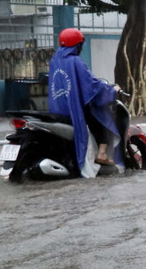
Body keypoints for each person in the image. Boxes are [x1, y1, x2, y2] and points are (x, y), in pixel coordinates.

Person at [47, 28, 122, 176]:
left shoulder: (54, 60)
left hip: (57, 109)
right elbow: (92, 85)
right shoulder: (76, 61)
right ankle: (101, 153)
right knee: (103, 117)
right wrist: (112, 90)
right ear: (78, 45)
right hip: (73, 109)